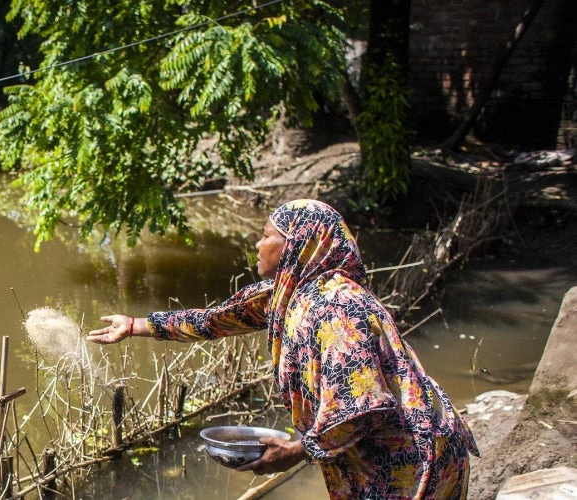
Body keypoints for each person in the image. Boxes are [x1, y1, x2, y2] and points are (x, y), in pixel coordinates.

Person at [86, 199, 478, 499]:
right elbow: (217, 318)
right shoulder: (292, 294)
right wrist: (137, 325)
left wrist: (294, 451)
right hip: (376, 453)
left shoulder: (337, 309)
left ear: (298, 245)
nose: (258, 244)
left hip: (414, 456)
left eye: (267, 235)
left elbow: (360, 406)